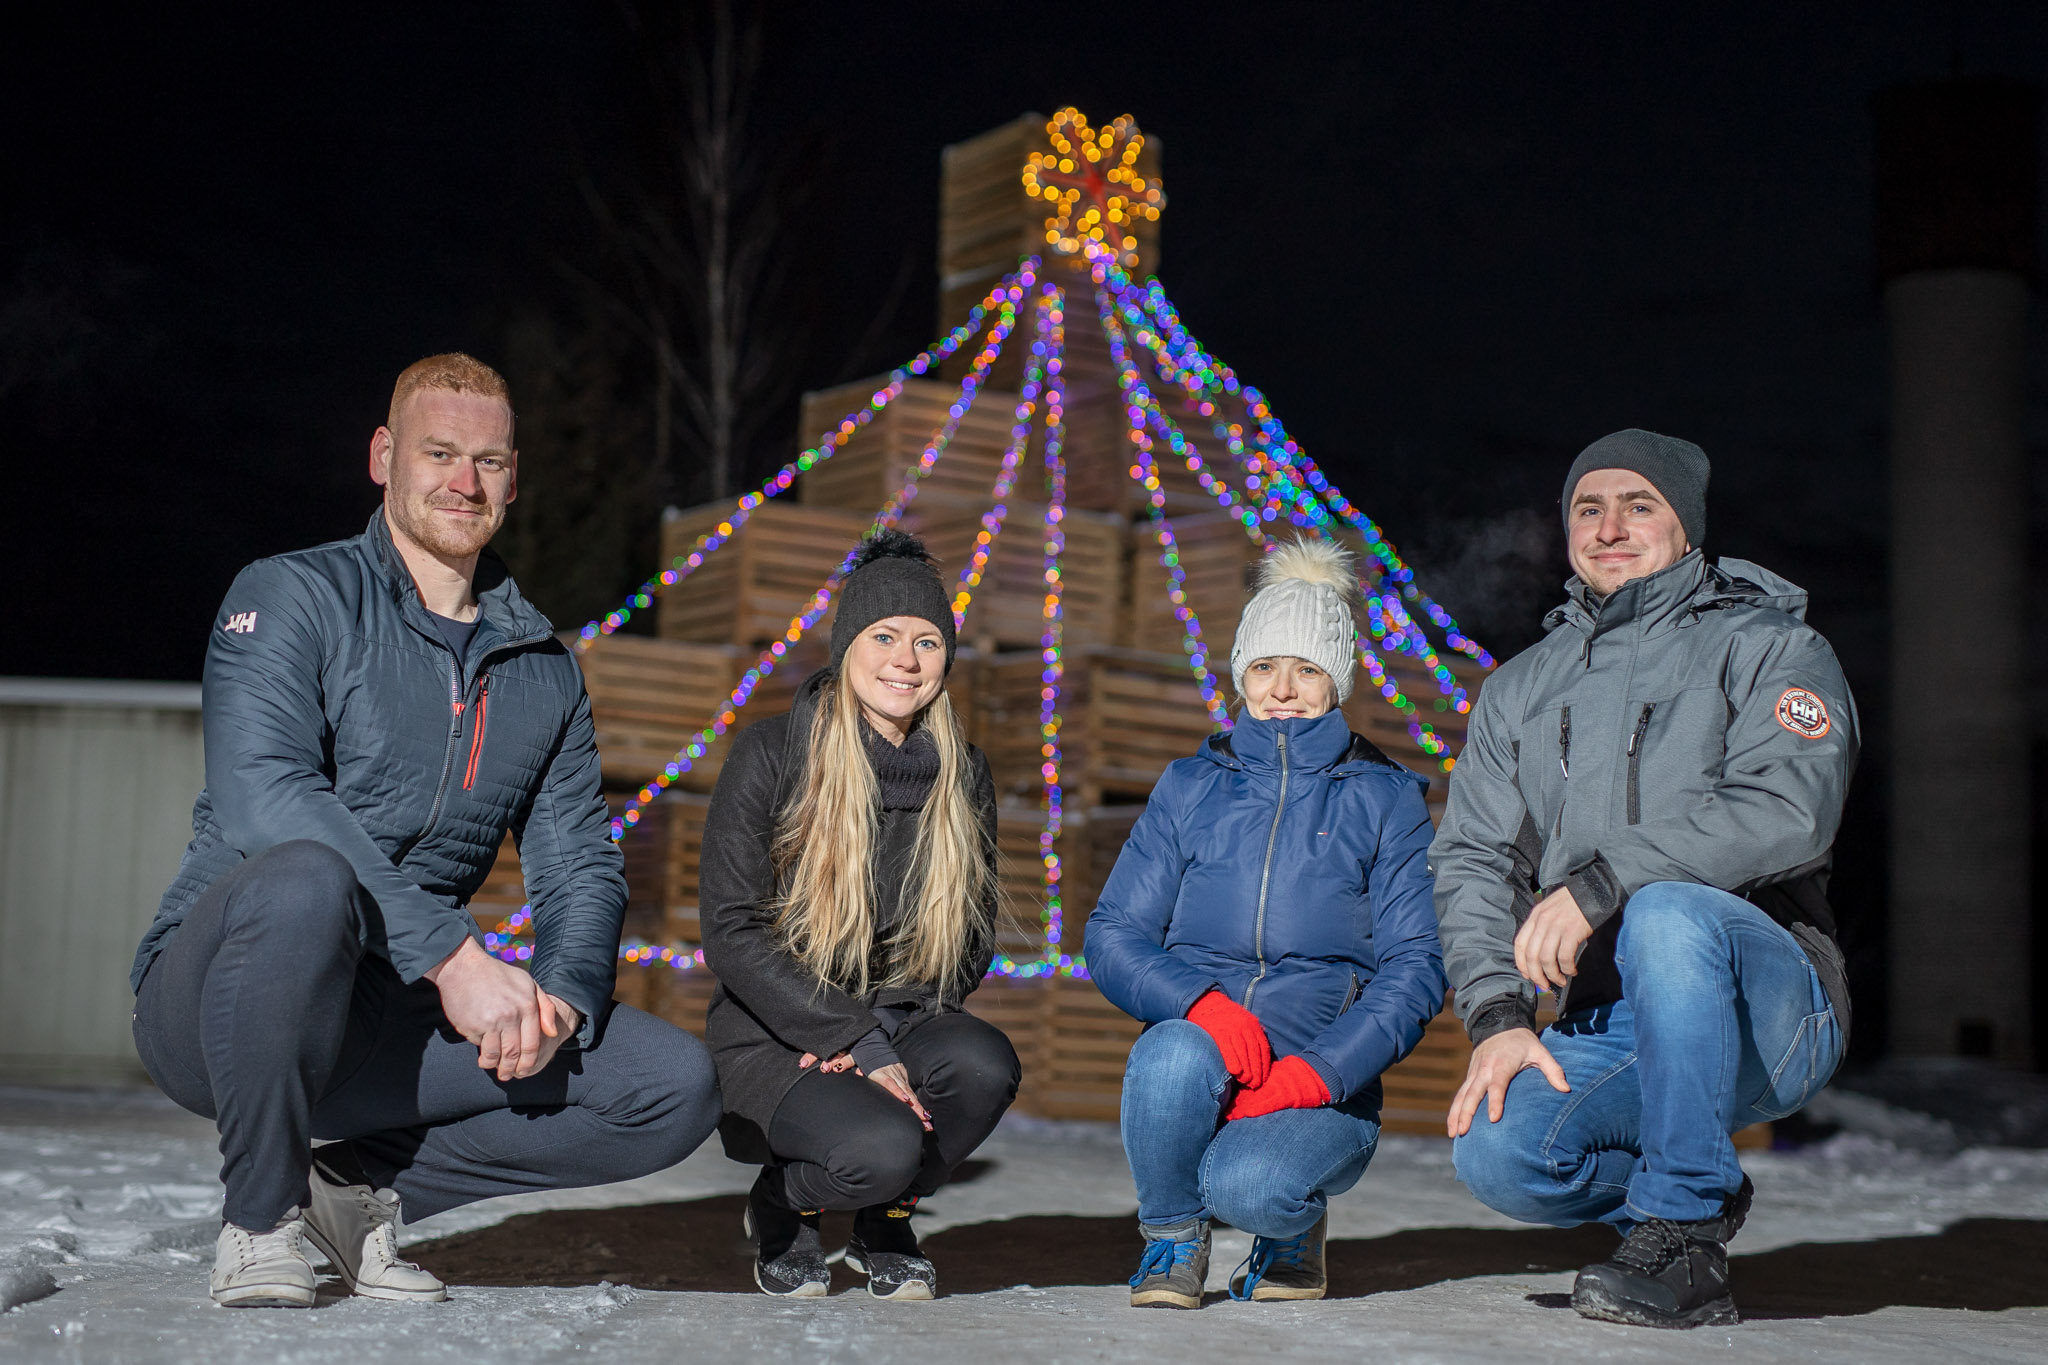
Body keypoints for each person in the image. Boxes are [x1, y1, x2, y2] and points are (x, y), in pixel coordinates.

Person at [131, 353, 721, 1308]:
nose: (463, 481)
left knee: (671, 1083)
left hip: (386, 1020)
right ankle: (260, 1218)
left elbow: (578, 863)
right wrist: (456, 958)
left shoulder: (543, 668)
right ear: (383, 456)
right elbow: (262, 794)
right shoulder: (290, 596)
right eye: (438, 453)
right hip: (220, 1003)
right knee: (308, 876)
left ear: (514, 477)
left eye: (488, 462)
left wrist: (562, 994)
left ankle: (351, 1191)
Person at [1431, 429, 1857, 1329]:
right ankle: (1677, 1190)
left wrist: (1600, 884)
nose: (1610, 525)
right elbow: (1474, 858)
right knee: (1503, 1149)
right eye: (1589, 507)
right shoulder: (1521, 688)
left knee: (1666, 910)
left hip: (1764, 1003)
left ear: (1686, 527)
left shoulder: (1770, 646)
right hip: (1613, 1016)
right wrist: (1501, 1018)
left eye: (1639, 504)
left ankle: (1685, 1227)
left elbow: (1789, 806)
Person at [1087, 538, 1447, 1308]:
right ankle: (1173, 1241)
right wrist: (1201, 1005)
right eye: (1264, 666)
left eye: (1307, 668)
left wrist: (1320, 1071)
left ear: (1337, 678)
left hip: (1323, 1076)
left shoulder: (1385, 799)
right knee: (1170, 1055)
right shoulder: (1190, 787)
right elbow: (1112, 932)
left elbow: (1416, 966)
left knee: (1247, 1185)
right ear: (1241, 672)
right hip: (1205, 1054)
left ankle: (1290, 1231)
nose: (1282, 689)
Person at [698, 530, 1019, 1300]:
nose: (905, 659)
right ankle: (786, 1202)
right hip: (780, 1026)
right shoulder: (775, 752)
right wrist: (840, 1031)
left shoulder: (962, 771)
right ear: (847, 645)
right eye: (884, 636)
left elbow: (970, 940)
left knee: (982, 1067)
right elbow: (733, 928)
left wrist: (884, 1026)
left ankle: (886, 1217)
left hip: (896, 1016)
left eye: (926, 640)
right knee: (878, 1143)